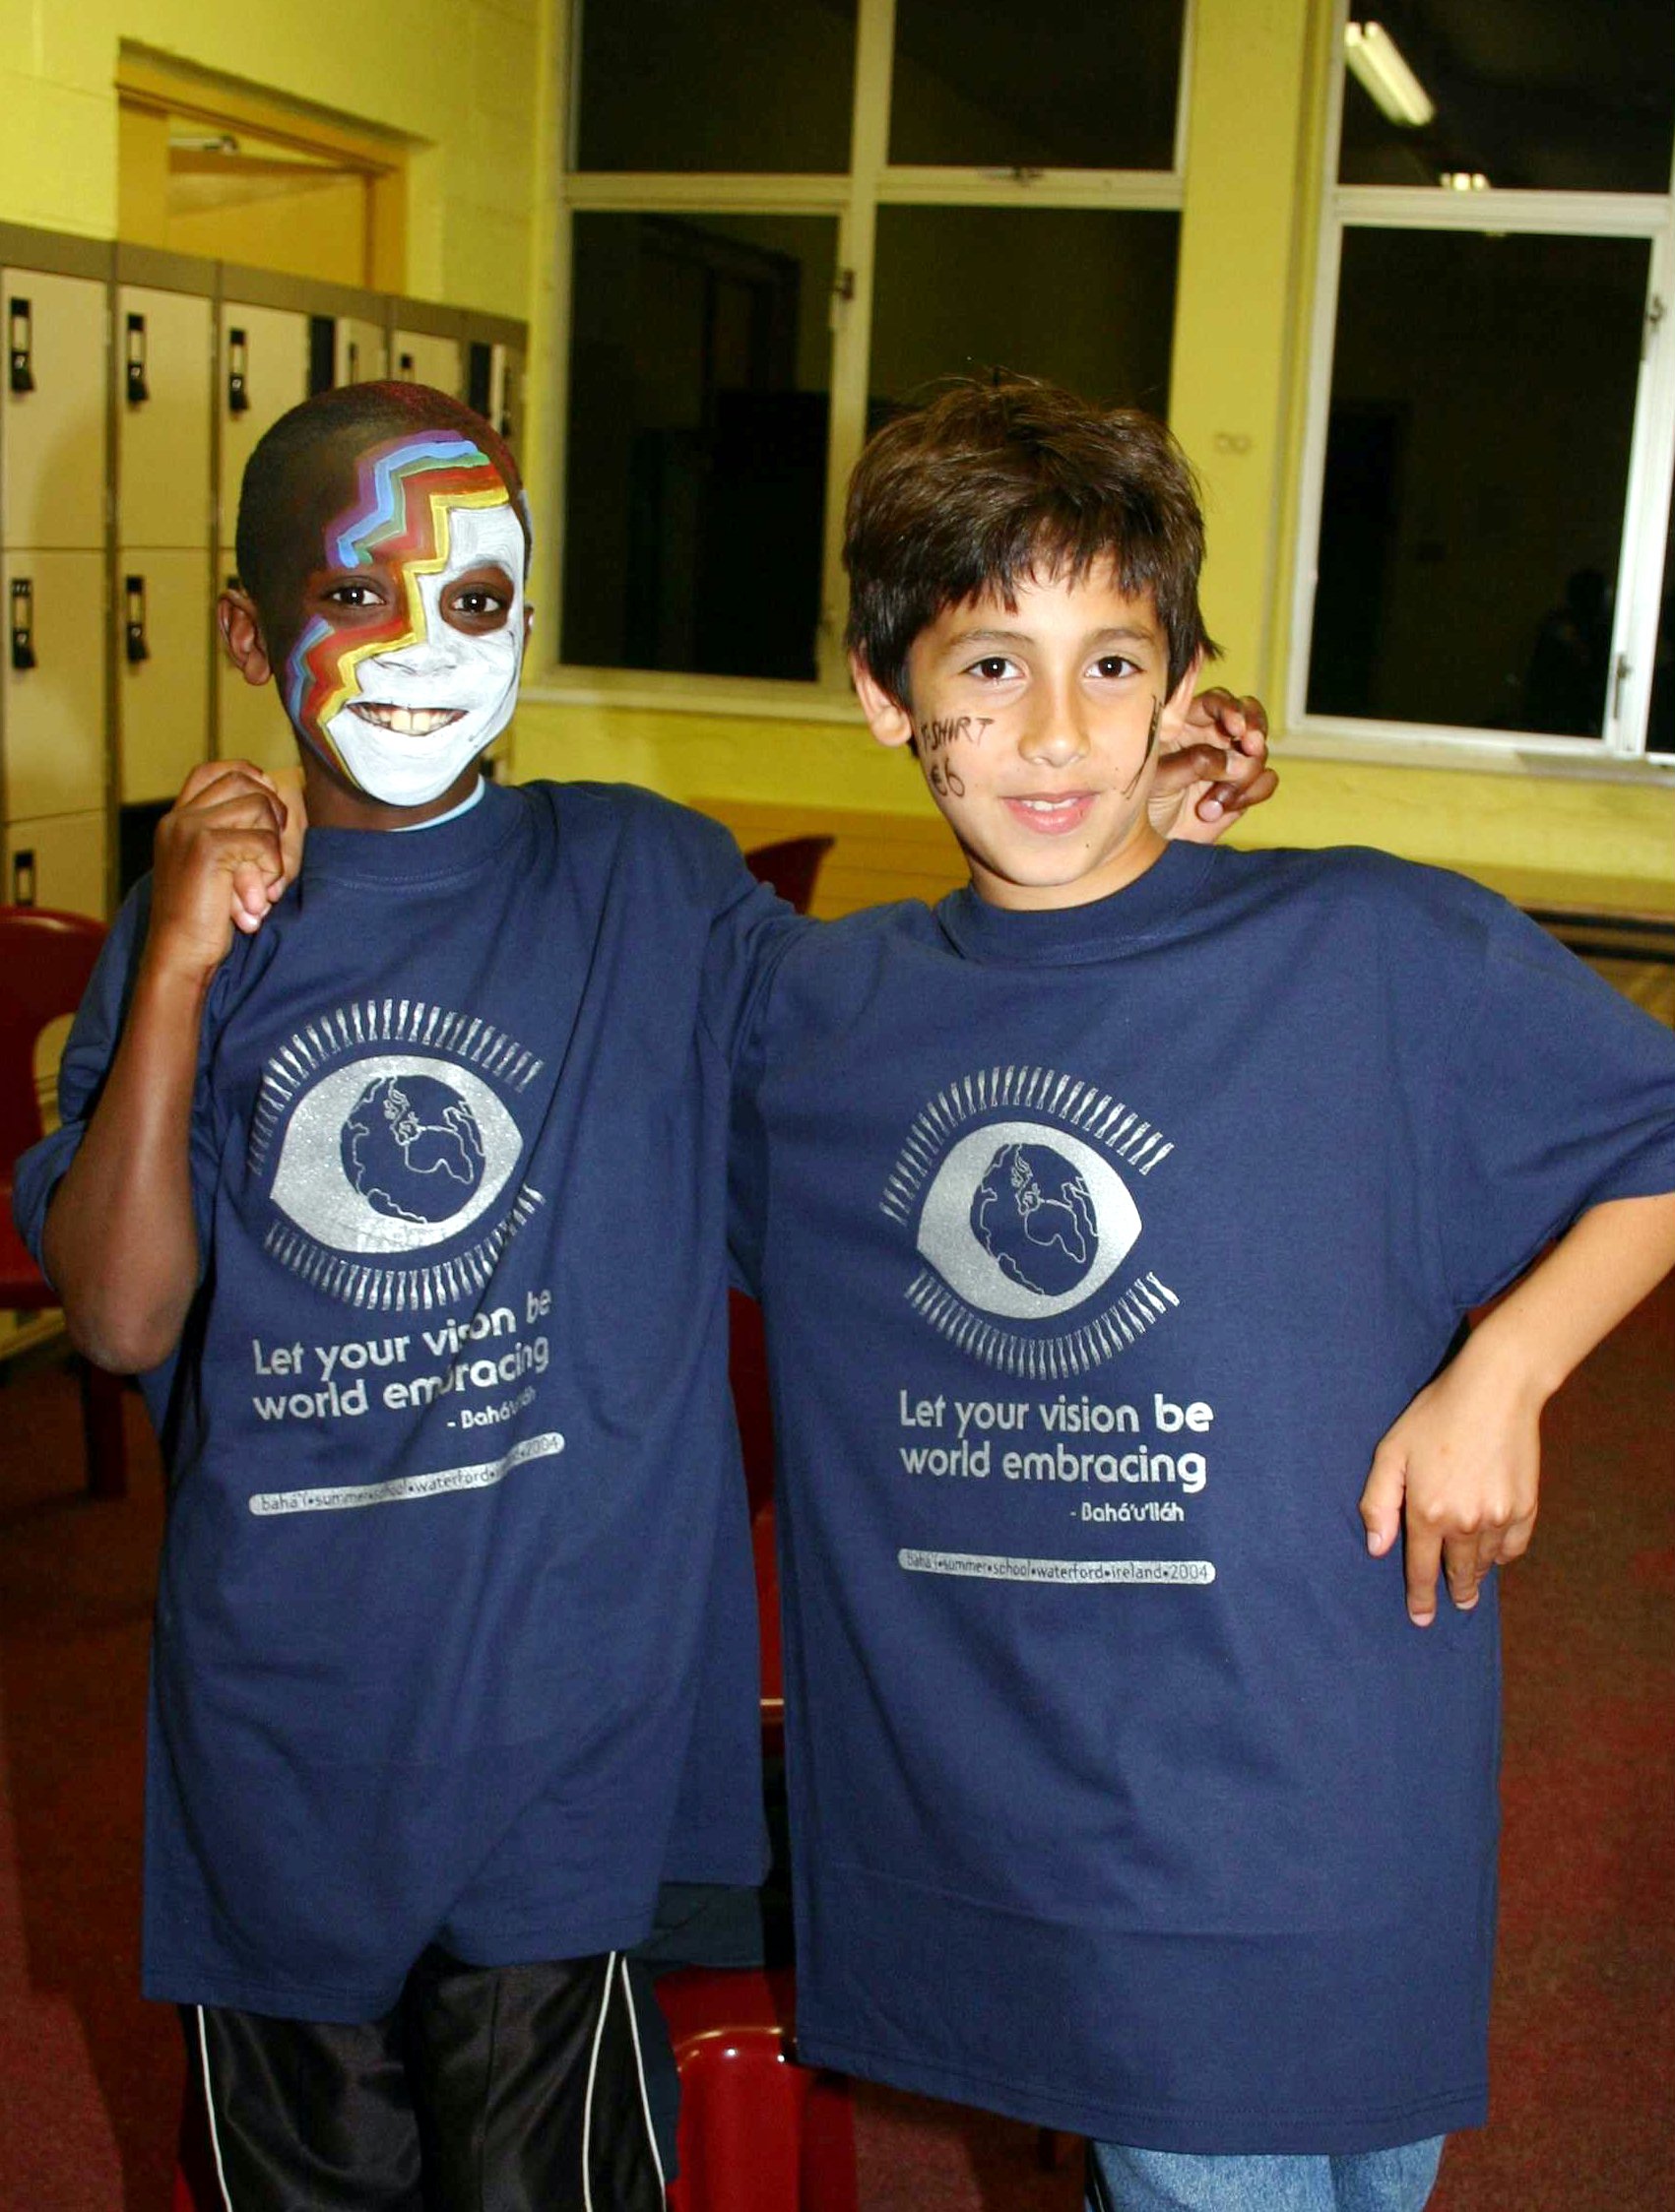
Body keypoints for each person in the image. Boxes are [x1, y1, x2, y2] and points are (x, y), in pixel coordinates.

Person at [10, 378, 1271, 2208]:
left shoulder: (639, 883)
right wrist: (184, 975)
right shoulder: (200, 939)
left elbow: (894, 1053)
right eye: (359, 597)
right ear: (245, 630)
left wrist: (1123, 830)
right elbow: (120, 1320)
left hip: (559, 1734)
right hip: (285, 1734)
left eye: (474, 602)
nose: (424, 652)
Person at [729, 375, 1675, 2212]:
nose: (1055, 728)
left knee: (1359, 2179)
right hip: (1061, 1801)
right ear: (881, 694)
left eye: (1111, 661)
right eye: (991, 666)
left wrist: (1506, 1371)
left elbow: (1652, 1137)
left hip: (1336, 1757)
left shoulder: (1369, 942)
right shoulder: (816, 1021)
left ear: (1180, 684)